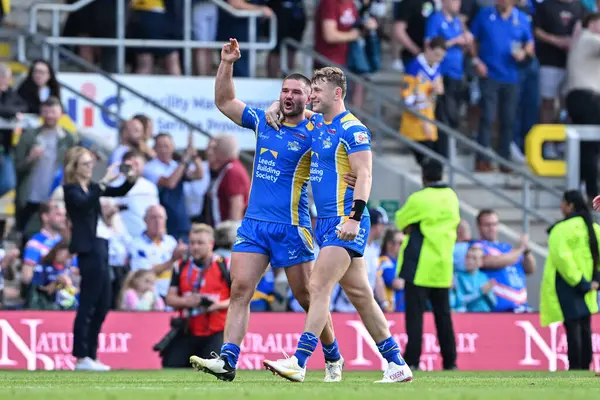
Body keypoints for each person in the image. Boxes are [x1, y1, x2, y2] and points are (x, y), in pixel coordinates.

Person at [189, 39, 344, 383]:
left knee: (307, 298)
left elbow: (345, 133)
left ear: (309, 98)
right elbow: (225, 101)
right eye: (284, 91)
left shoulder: (316, 131)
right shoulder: (264, 121)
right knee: (240, 288)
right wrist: (227, 62)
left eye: (297, 92)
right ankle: (228, 360)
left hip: (292, 226)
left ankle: (333, 355)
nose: (289, 96)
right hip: (254, 225)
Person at [263, 66, 413, 383]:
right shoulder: (318, 122)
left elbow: (366, 175)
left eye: (317, 90)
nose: (311, 95)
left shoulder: (353, 129)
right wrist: (274, 106)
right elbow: (290, 109)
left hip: (346, 221)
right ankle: (397, 364)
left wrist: (355, 218)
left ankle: (299, 361)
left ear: (337, 93)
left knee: (317, 287)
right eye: (311, 90)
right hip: (328, 221)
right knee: (360, 295)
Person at [63, 146, 138, 371]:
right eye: (86, 164)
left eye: (90, 164)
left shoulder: (92, 187)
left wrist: (130, 177)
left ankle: (91, 355)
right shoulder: (71, 189)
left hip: (101, 245)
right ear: (75, 167)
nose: (90, 168)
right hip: (89, 248)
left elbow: (119, 191)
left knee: (103, 303)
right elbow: (85, 202)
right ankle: (81, 356)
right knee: (88, 303)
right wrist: (105, 180)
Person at [395, 158, 460, 371]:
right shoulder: (452, 197)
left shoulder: (420, 198)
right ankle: (450, 362)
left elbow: (399, 220)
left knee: (415, 317)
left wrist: (412, 225)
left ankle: (413, 361)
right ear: (441, 175)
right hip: (442, 265)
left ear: (423, 177)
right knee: (444, 316)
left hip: (420, 265)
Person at [540, 190, 600, 370]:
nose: (561, 206)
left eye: (563, 203)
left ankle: (576, 367)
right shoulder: (593, 227)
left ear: (570, 205)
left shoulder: (561, 229)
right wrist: (594, 280)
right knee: (585, 326)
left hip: (568, 286)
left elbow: (562, 258)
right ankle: (585, 365)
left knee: (573, 329)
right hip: (589, 285)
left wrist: (579, 282)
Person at [164, 224, 231, 368]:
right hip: (188, 328)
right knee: (171, 367)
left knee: (216, 371)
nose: (195, 247)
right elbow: (170, 298)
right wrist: (187, 301)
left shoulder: (225, 265)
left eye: (200, 243)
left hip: (216, 330)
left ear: (211, 244)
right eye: (192, 243)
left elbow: (241, 299)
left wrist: (217, 305)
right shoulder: (180, 266)